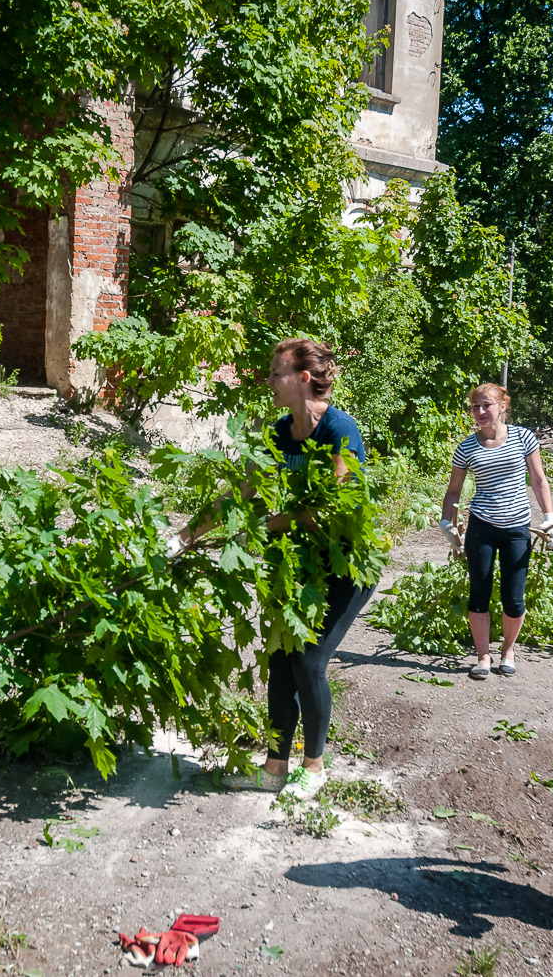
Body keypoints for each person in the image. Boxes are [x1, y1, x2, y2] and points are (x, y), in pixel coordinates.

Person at [169, 338, 373, 802]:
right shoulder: (282, 432)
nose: (268, 380)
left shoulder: (341, 429)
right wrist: (183, 538)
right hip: (300, 563)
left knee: (309, 660)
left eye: (276, 373)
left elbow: (328, 510)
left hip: (347, 565)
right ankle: (275, 769)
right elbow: (240, 493)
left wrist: (259, 526)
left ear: (303, 379)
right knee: (281, 661)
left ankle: (314, 769)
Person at [438, 383, 553, 680]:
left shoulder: (524, 437)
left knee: (514, 598)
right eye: (475, 406)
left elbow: (539, 480)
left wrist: (550, 519)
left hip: (517, 527)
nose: (479, 412)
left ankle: (508, 651)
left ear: (503, 406)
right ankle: (482, 657)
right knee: (479, 593)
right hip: (482, 526)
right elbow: (453, 491)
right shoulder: (467, 447)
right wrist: (446, 523)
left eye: (486, 405)